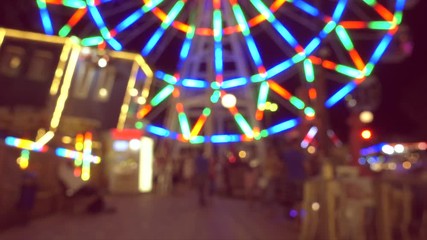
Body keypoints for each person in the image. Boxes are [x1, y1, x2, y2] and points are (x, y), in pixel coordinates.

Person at [280, 138, 308, 220]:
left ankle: (293, 216)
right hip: (300, 179)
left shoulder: (287, 154)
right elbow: (306, 166)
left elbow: (283, 166)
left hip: (290, 178)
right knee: (300, 200)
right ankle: (301, 218)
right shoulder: (300, 155)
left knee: (292, 199)